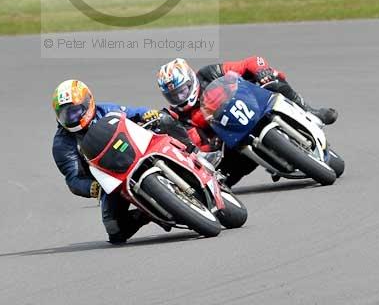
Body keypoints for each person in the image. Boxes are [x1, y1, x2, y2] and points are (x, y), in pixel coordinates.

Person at [51, 78, 212, 244]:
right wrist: (91, 188)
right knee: (115, 231)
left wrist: (146, 114)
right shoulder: (62, 145)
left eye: (75, 110)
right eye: (66, 113)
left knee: (162, 118)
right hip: (109, 178)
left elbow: (132, 113)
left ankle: (196, 154)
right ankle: (147, 213)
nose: (72, 116)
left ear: (88, 102)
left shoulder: (104, 110)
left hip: (135, 149)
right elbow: (73, 179)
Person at [156, 56, 338, 186]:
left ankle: (310, 111)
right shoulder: (181, 117)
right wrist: (211, 145)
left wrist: (262, 71)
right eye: (173, 95)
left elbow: (250, 62)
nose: (180, 97)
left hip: (252, 103)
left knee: (273, 79)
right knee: (225, 175)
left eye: (183, 90)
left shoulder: (208, 73)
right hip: (232, 137)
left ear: (191, 79)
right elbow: (197, 143)